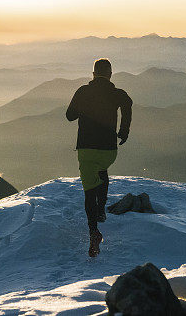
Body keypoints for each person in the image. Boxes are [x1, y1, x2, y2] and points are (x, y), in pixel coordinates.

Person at [66, 58, 132, 257]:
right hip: (109, 150)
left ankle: (93, 231)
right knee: (102, 171)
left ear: (93, 74)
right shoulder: (116, 93)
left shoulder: (83, 91)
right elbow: (127, 103)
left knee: (89, 191)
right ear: (111, 74)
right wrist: (124, 131)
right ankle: (102, 209)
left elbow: (70, 116)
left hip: (86, 148)